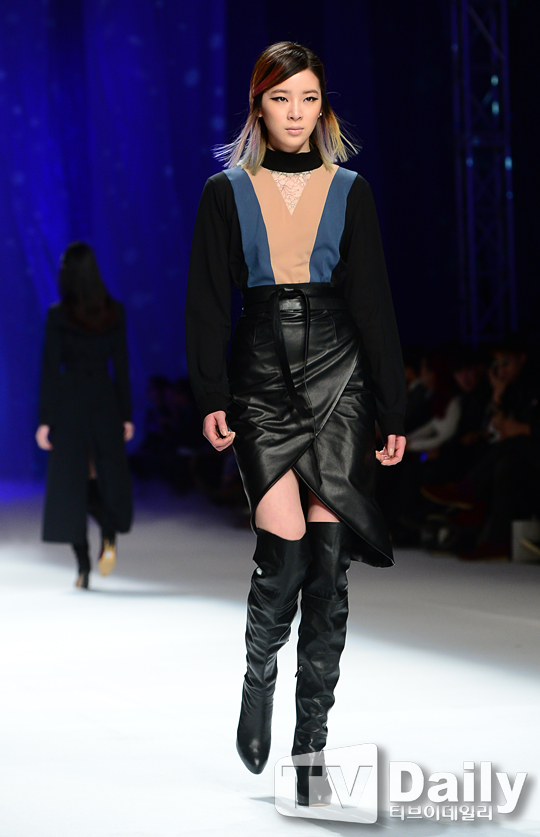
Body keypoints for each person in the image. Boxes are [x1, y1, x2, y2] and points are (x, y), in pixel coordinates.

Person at [185, 42, 406, 805]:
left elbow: (373, 299)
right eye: (282, 98)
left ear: (323, 106)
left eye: (309, 98)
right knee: (282, 557)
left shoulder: (350, 189)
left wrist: (393, 403)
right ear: (259, 105)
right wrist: (210, 394)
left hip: (341, 373)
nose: (296, 113)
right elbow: (206, 299)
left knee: (329, 567)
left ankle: (310, 748)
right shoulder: (226, 191)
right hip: (260, 379)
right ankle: (259, 677)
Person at [36, 242, 134, 589]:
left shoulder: (58, 316)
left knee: (72, 483)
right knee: (103, 474)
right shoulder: (114, 312)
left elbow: (50, 370)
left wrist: (45, 420)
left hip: (71, 403)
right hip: (104, 401)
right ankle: (109, 533)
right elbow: (121, 367)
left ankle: (82, 567)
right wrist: (126, 414)